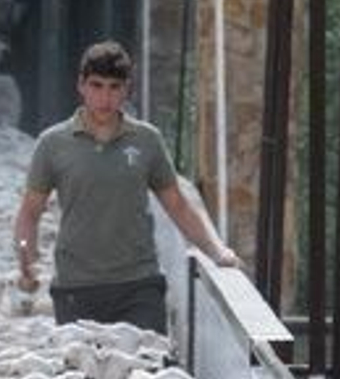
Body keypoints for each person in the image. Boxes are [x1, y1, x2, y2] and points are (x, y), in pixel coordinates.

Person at [13, 39, 238, 335]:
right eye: (96, 86)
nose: (105, 97)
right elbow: (30, 211)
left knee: (146, 376)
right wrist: (26, 258)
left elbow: (178, 205)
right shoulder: (53, 144)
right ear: (81, 86)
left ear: (127, 89)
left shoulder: (147, 140)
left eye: (114, 87)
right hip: (76, 288)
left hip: (139, 286)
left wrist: (217, 251)